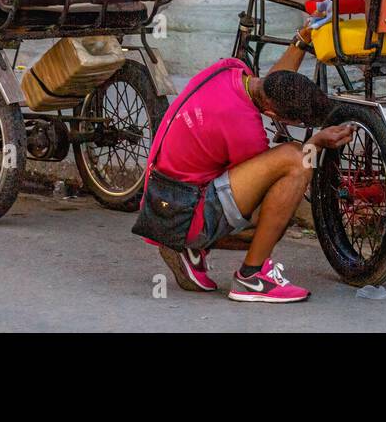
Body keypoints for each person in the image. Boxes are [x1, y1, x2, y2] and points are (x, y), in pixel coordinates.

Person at [146, 23, 354, 303]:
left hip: (166, 203)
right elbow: (265, 199)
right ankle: (251, 277)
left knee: (280, 188)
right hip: (181, 214)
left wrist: (302, 39)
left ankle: (187, 246)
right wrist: (314, 144)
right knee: (294, 166)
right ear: (271, 113)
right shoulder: (244, 129)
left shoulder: (233, 69)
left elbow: (276, 82)